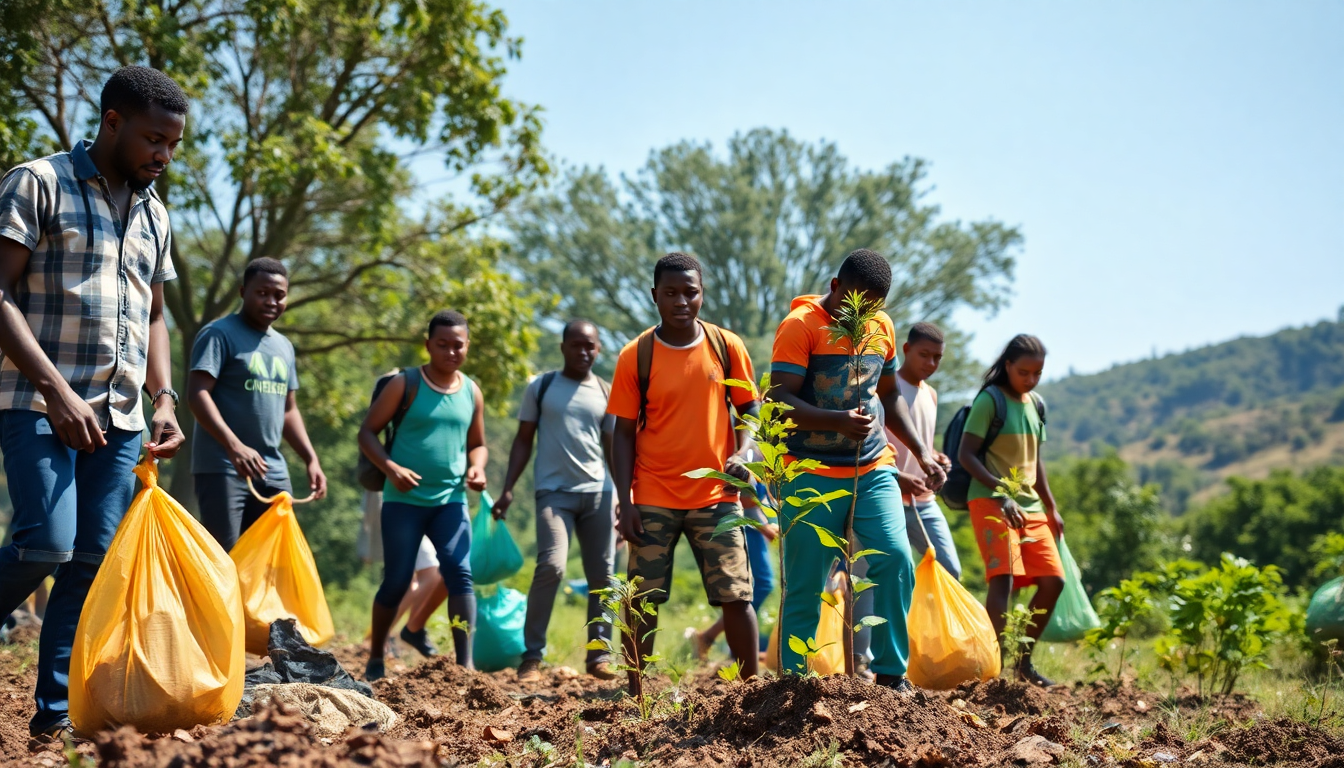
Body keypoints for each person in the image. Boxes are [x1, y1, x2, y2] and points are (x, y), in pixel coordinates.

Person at [0, 66, 188, 743]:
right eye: (154, 140)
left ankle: (54, 715)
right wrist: (56, 391)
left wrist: (164, 398)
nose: (164, 156)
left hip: (122, 417)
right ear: (112, 121)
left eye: (173, 145)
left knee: (89, 561)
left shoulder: (155, 213)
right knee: (45, 542)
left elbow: (155, 315)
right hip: (36, 400)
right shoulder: (38, 183)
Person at [770, 248, 946, 693]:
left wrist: (922, 452)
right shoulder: (800, 326)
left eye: (872, 306)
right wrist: (835, 421)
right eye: (855, 303)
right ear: (835, 287)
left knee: (895, 559)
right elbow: (779, 400)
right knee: (806, 581)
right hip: (808, 470)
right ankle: (794, 683)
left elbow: (889, 394)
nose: (862, 315)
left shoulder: (880, 327)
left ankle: (890, 675)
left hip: (870, 466)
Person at [607, 252, 761, 691]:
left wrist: (744, 452)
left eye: (690, 292)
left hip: (717, 495)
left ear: (701, 294)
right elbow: (622, 434)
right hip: (653, 494)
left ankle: (752, 692)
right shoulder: (636, 355)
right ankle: (637, 693)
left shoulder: (726, 347)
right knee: (642, 600)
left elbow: (751, 410)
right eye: (670, 293)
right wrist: (625, 501)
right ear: (654, 295)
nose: (681, 301)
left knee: (737, 595)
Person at [358, 310, 488, 680]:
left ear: (467, 346)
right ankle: (376, 657)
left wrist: (477, 468)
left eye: (458, 345)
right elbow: (367, 433)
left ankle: (465, 666)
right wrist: (391, 469)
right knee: (397, 581)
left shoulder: (471, 391)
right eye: (442, 345)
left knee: (459, 573)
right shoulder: (405, 383)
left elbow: (477, 444)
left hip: (450, 500)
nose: (451, 352)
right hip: (404, 502)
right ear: (428, 345)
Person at [493, 319, 618, 682]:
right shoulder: (542, 386)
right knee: (552, 565)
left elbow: (613, 447)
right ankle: (532, 657)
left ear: (598, 350)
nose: (583, 351)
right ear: (563, 347)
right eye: (576, 344)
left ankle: (599, 656)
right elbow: (523, 439)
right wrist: (508, 488)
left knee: (604, 576)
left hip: (598, 494)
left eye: (590, 345)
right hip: (553, 494)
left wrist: (625, 496)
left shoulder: (606, 391)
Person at [188, 257, 327, 551]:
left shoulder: (284, 346)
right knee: (224, 558)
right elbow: (197, 394)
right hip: (224, 467)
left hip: (273, 470)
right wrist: (234, 446)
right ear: (243, 292)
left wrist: (310, 459)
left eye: (279, 295)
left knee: (271, 560)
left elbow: (289, 410)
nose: (271, 301)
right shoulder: (218, 334)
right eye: (262, 293)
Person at [957, 333, 1064, 687]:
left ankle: (1023, 663)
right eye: (1024, 372)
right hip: (990, 499)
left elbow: (1036, 461)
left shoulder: (1037, 405)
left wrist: (1051, 507)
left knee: (1053, 581)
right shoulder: (990, 400)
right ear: (1008, 366)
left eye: (1038, 373)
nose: (1031, 379)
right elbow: (966, 455)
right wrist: (1002, 493)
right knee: (1002, 578)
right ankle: (994, 671)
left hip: (1030, 504)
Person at [694, 443, 777, 660]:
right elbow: (745, 498)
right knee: (756, 586)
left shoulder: (769, 454)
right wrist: (765, 528)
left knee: (758, 586)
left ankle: (724, 644)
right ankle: (721, 642)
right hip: (743, 525)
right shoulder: (750, 452)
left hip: (754, 527)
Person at [892, 322, 961, 579]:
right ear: (906, 349)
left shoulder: (931, 394)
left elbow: (922, 444)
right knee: (894, 575)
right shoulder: (887, 388)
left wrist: (937, 457)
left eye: (937, 357)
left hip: (924, 501)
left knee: (950, 570)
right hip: (889, 498)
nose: (931, 363)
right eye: (924, 355)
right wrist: (896, 477)